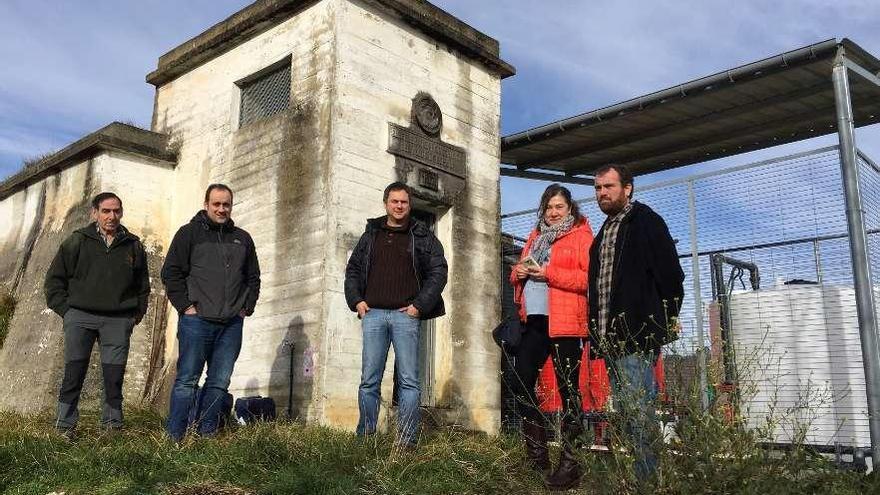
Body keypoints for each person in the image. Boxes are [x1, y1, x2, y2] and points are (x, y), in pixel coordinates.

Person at [588, 164, 684, 485]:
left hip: (636, 337)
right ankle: (638, 479)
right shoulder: (604, 232)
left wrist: (666, 320)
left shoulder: (646, 222)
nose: (602, 193)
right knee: (629, 415)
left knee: (640, 414)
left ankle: (648, 483)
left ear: (627, 187)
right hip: (609, 339)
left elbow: (672, 276)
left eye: (609, 186)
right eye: (598, 188)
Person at [344, 182, 447, 448]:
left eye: (404, 202)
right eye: (394, 202)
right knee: (369, 381)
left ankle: (407, 442)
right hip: (374, 315)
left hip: (406, 317)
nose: (399, 206)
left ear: (409, 205)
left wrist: (419, 306)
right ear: (386, 203)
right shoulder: (372, 235)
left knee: (409, 383)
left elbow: (439, 271)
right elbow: (353, 269)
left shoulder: (422, 235)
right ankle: (365, 438)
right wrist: (357, 301)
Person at [45, 192, 150, 437]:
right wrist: (67, 312)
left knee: (114, 377)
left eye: (116, 211)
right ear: (95, 213)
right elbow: (54, 280)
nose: (111, 216)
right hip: (80, 317)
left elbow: (143, 286)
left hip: (118, 320)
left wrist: (135, 315)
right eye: (106, 211)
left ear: (121, 213)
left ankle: (112, 428)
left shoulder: (133, 245)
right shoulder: (78, 241)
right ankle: (64, 428)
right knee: (74, 373)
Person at [509, 183, 593, 491]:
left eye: (559, 207)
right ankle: (538, 456)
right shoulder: (535, 235)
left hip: (566, 323)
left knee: (569, 392)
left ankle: (571, 464)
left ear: (570, 209)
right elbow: (519, 270)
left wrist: (551, 274)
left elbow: (589, 279)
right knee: (519, 382)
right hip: (533, 321)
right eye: (549, 207)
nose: (554, 212)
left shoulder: (582, 235)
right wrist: (517, 272)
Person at [162, 183, 261, 441]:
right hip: (197, 321)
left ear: (231, 205)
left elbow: (253, 277)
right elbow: (171, 273)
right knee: (187, 381)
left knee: (219, 382)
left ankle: (206, 435)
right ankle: (176, 436)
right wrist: (186, 306)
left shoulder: (243, 238)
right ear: (206, 205)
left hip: (230, 325)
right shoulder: (189, 234)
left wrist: (245, 308)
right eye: (216, 204)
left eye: (226, 204)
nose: (221, 209)